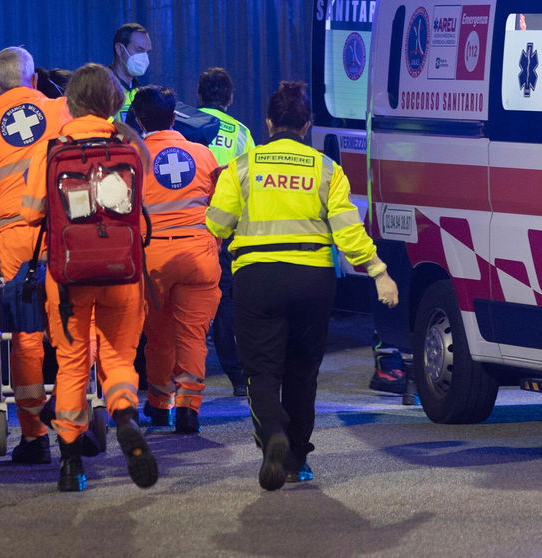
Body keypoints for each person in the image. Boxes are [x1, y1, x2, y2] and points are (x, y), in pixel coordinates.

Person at [206, 81, 398, 491]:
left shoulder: (243, 166)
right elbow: (349, 233)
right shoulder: (326, 169)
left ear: (269, 123)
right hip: (312, 279)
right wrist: (379, 270)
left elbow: (217, 224)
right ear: (307, 126)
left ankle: (272, 433)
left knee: (261, 370)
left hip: (257, 279)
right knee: (303, 370)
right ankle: (296, 458)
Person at [21, 63, 157, 492]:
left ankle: (71, 465)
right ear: (115, 101)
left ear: (72, 101)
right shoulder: (132, 147)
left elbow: (29, 212)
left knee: (72, 364)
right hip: (123, 270)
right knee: (119, 356)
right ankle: (125, 416)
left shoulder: (51, 148)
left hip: (68, 275)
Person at [0, 47, 69, 465]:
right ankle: (69, 410)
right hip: (64, 236)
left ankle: (34, 437)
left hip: (13, 240)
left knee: (25, 338)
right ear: (35, 79)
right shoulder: (63, 110)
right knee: (73, 329)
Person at [131, 86, 221, 433]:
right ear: (174, 117)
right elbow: (222, 205)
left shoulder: (131, 156)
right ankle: (189, 407)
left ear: (138, 120)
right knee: (193, 335)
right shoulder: (203, 154)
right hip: (198, 256)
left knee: (159, 335)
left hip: (151, 259)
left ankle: (159, 404)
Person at [196, 67, 255, 396]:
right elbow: (249, 186)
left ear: (199, 94)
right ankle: (236, 377)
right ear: (230, 97)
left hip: (186, 225)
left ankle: (172, 382)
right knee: (225, 306)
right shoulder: (242, 133)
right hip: (227, 230)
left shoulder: (183, 124)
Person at [109, 22, 152, 120]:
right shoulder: (99, 89)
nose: (144, 57)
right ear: (120, 49)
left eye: (147, 52)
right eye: (139, 50)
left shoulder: (142, 93)